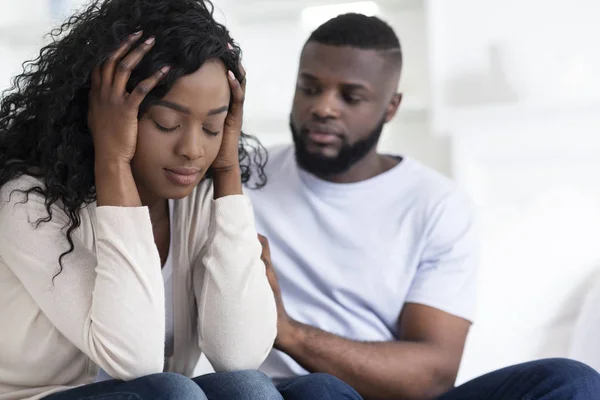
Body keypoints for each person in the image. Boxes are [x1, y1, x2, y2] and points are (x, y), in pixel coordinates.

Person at [0, 1, 357, 399]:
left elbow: (239, 354)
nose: (192, 149)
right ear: (104, 113)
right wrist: (113, 160)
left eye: (211, 126)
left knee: (311, 390)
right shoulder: (30, 202)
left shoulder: (197, 198)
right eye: (167, 124)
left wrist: (226, 174)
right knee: (173, 392)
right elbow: (135, 362)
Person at [246, 13, 600, 400]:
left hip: (392, 394)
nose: (323, 107)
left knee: (572, 380)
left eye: (351, 96)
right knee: (320, 390)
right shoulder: (243, 173)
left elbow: (432, 375)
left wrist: (289, 332)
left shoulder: (436, 205)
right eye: (309, 88)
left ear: (391, 107)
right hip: (291, 394)